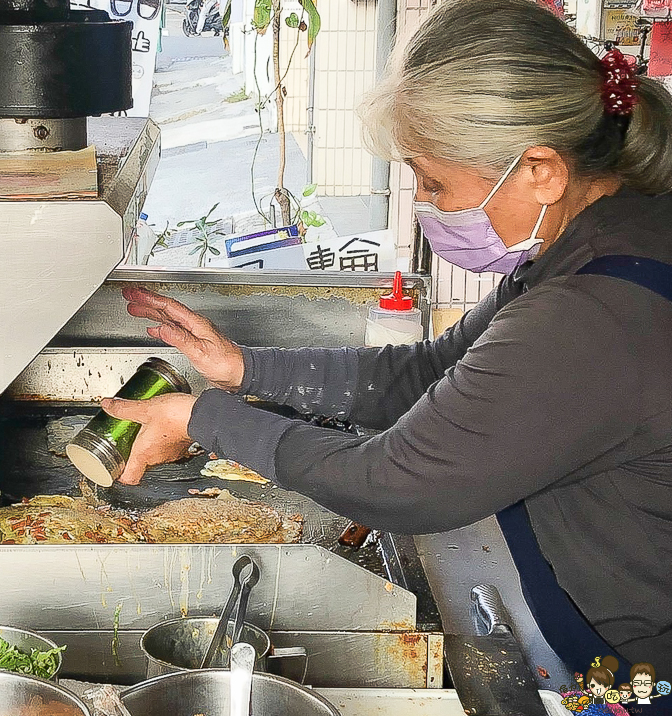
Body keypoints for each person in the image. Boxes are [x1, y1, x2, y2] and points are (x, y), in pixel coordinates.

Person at [102, 0, 672, 670]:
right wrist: (244, 369)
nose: (426, 205)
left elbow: (397, 482)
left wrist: (205, 419)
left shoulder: (589, 316)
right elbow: (432, 371)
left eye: (435, 183)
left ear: (540, 170)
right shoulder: (607, 236)